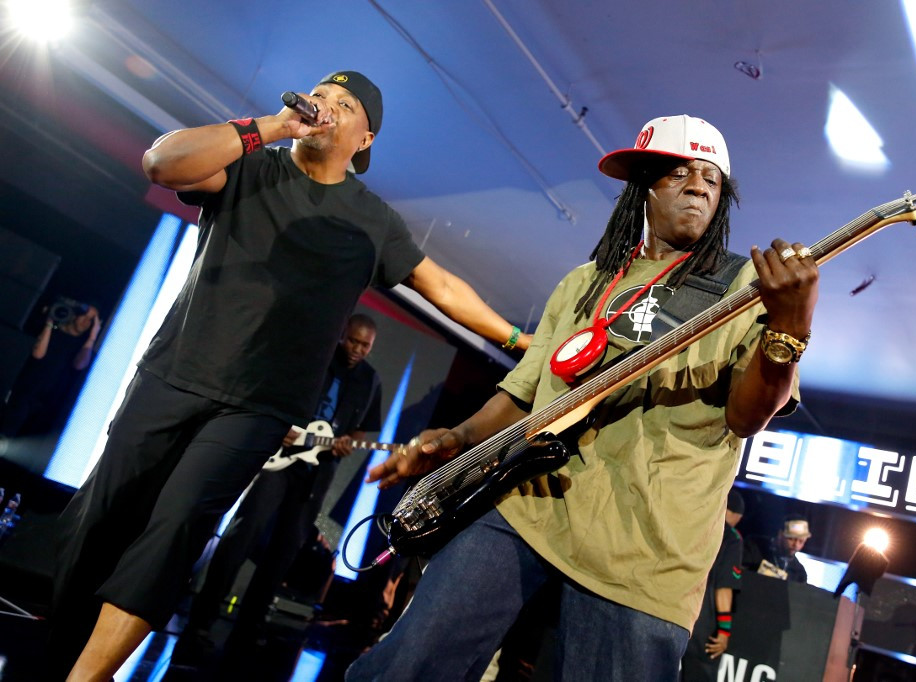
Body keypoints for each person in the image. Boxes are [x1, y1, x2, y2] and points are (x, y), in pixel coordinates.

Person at [45, 69, 531, 682]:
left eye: (345, 104)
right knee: (96, 521)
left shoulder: (372, 219)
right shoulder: (250, 165)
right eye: (320, 94)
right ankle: (56, 651)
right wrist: (270, 128)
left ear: (366, 140)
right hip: (171, 376)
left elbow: (442, 287)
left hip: (260, 407)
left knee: (175, 530)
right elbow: (161, 163)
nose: (326, 105)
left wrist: (520, 341)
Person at [346, 114, 820, 680]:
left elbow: (746, 417)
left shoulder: (747, 289)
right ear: (643, 185)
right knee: (405, 667)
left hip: (647, 552)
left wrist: (789, 331)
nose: (698, 186)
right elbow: (525, 393)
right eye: (679, 173)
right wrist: (458, 439)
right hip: (528, 506)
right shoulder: (584, 281)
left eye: (711, 178)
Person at [175, 314, 384, 656]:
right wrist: (281, 425)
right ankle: (200, 622)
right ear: (342, 335)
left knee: (285, 551)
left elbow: (361, 428)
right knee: (241, 536)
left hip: (317, 470)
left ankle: (249, 628)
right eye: (353, 341)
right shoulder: (316, 358)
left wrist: (348, 442)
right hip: (279, 460)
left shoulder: (370, 380)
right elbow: (275, 395)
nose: (358, 350)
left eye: (366, 345)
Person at [0, 299, 101, 437]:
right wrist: (50, 321)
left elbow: (79, 365)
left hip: (46, 406)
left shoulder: (83, 347)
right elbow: (38, 354)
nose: (86, 321)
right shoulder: (52, 332)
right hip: (23, 395)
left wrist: (92, 337)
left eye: (91, 320)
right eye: (84, 315)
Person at [681, 488, 745, 681]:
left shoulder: (692, 521)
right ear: (735, 514)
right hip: (701, 627)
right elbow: (724, 587)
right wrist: (724, 630)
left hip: (673, 612)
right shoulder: (732, 538)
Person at [744, 514, 811, 583]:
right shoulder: (754, 545)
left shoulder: (799, 573)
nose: (796, 545)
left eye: (801, 541)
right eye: (791, 539)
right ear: (780, 534)